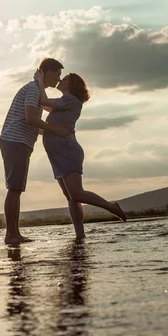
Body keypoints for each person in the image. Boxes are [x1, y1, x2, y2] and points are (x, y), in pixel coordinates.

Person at [34, 70, 126, 239]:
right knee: (71, 196)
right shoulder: (63, 104)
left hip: (67, 151)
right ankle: (80, 235)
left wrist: (40, 81)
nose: (61, 79)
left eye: (66, 78)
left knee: (76, 193)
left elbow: (43, 101)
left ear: (72, 85)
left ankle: (112, 207)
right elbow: (43, 106)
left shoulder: (70, 100)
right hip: (57, 153)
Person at [0, 58, 70, 245]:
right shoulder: (32, 89)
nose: (58, 79)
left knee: (16, 188)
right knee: (14, 188)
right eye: (57, 74)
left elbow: (31, 123)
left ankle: (14, 233)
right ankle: (11, 235)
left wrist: (51, 132)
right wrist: (54, 129)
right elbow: (31, 118)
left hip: (19, 141)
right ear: (48, 73)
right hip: (16, 141)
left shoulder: (37, 90)